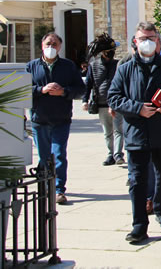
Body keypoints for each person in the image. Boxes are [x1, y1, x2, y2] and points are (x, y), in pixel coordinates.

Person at [108, 22, 161, 243]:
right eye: (142, 38)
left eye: (150, 38)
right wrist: (137, 109)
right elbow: (114, 97)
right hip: (137, 132)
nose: (146, 42)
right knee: (137, 180)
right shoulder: (125, 68)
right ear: (135, 42)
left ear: (157, 41)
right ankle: (139, 225)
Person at [27, 32, 85, 205]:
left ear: (60, 47)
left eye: (54, 44)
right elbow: (23, 90)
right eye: (48, 44)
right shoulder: (32, 66)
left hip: (61, 118)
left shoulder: (67, 66)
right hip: (40, 119)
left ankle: (59, 189)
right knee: (44, 156)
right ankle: (44, 185)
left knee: (59, 154)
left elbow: (80, 89)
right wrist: (41, 90)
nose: (51, 47)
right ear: (42, 46)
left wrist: (64, 92)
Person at [82, 33, 123, 166]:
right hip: (101, 102)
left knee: (118, 130)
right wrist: (85, 100)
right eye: (107, 52)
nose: (110, 54)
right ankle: (110, 153)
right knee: (107, 131)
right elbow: (88, 83)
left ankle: (118, 154)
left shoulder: (118, 65)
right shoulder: (93, 66)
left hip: (117, 103)